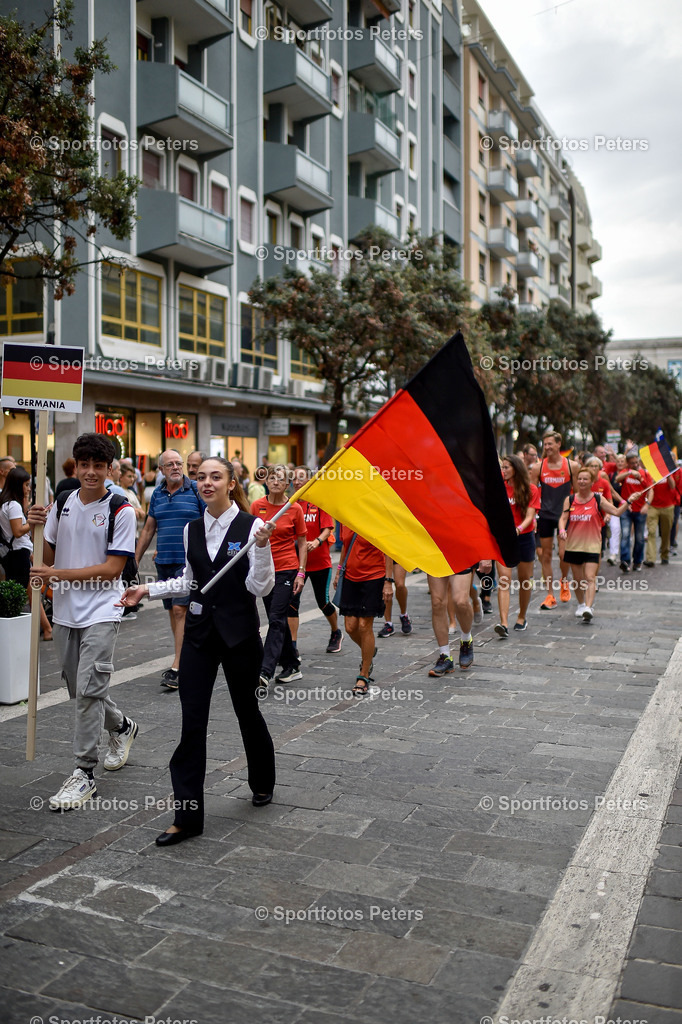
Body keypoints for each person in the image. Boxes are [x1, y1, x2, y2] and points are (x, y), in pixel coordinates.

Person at [119, 457, 276, 845]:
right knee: (192, 723)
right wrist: (147, 589)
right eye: (201, 477)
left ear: (230, 482)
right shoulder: (192, 529)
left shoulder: (253, 526)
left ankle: (262, 779)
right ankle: (187, 817)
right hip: (200, 635)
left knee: (247, 711)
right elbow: (189, 581)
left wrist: (261, 549)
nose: (207, 483)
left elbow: (261, 588)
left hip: (239, 636)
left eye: (215, 477)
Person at [27, 433, 138, 811]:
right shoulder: (63, 502)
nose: (90, 472)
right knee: (80, 690)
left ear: (110, 470)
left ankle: (83, 773)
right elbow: (46, 556)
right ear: (76, 466)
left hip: (103, 610)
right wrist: (35, 526)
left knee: (89, 690)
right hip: (65, 611)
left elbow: (111, 570)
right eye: (84, 465)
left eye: (98, 466)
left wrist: (55, 576)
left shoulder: (120, 510)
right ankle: (122, 726)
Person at [135, 450, 205, 689]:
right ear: (161, 470)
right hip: (164, 560)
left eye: (179, 463)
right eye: (170, 465)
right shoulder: (157, 494)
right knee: (174, 614)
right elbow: (148, 529)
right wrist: (134, 559)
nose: (176, 467)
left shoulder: (195, 489)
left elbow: (210, 521)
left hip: (187, 563)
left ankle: (178, 666)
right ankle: (187, 655)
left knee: (179, 611)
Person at [251, 464, 307, 686]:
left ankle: (265, 671)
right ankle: (292, 665)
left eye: (280, 479)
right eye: (272, 477)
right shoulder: (257, 506)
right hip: (265, 569)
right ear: (266, 482)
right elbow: (251, 538)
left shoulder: (294, 509)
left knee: (275, 618)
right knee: (278, 619)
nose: (275, 481)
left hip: (286, 568)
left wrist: (301, 572)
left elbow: (302, 542)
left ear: (287, 484)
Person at [559, 467, 640, 621]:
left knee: (590, 577)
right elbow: (563, 518)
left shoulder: (598, 499)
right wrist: (562, 530)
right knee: (577, 579)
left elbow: (616, 512)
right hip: (573, 545)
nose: (582, 481)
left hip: (592, 544)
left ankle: (588, 608)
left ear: (591, 482)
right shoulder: (569, 499)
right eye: (580, 479)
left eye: (585, 479)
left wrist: (629, 500)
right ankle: (581, 604)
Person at [287, 466, 343, 655]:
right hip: (297, 563)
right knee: (292, 603)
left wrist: (317, 541)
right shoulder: (290, 504)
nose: (296, 482)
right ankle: (292, 646)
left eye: (301, 478)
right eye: (294, 478)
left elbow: (328, 528)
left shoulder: (319, 503)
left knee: (323, 602)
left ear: (310, 481)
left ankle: (336, 632)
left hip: (320, 562)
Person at [333, 526, 392, 696]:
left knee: (365, 625)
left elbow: (388, 549)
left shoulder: (374, 516)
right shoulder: (346, 518)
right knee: (350, 627)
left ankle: (364, 674)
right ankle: (369, 651)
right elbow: (345, 545)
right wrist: (338, 572)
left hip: (374, 576)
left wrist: (388, 580)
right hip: (351, 576)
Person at [530, 431, 581, 610]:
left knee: (562, 554)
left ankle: (564, 581)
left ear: (559, 444)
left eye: (550, 444)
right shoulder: (538, 467)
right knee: (545, 555)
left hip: (564, 515)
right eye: (545, 444)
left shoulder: (571, 466)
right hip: (545, 515)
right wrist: (532, 516)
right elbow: (532, 493)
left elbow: (577, 492)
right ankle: (550, 594)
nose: (547, 447)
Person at [0, 466, 52, 640]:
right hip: (19, 554)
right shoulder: (12, 505)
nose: (29, 488)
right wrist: (34, 521)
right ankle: (45, 629)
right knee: (28, 592)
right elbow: (17, 531)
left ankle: (46, 629)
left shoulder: (6, 503)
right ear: (18, 485)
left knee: (30, 591)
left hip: (15, 553)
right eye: (27, 485)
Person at [494, 455, 540, 637]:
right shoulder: (499, 488)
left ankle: (521, 616)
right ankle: (503, 623)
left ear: (516, 469)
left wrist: (519, 529)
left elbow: (530, 515)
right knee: (504, 580)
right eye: (502, 467)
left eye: (506, 467)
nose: (503, 470)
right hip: (503, 538)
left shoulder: (531, 489)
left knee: (524, 580)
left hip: (524, 536)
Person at [426, 563, 484, 675]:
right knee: (437, 603)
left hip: (460, 551)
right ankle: (445, 656)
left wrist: (486, 558)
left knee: (461, 602)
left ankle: (466, 640)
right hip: (435, 553)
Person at [615, 450, 653, 572]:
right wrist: (630, 472)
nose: (635, 464)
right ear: (628, 463)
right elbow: (617, 479)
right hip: (627, 509)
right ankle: (625, 561)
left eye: (636, 462)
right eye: (632, 463)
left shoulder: (645, 473)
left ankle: (637, 561)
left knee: (640, 537)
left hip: (640, 510)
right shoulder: (625, 472)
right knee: (625, 535)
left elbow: (650, 489)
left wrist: (647, 505)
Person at [644, 470, 677, 566]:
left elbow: (672, 486)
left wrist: (668, 476)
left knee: (666, 534)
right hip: (653, 507)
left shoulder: (669, 472)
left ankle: (664, 555)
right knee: (651, 532)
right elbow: (648, 488)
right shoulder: (650, 472)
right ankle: (651, 559)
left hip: (667, 507)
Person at [377, 561, 412, 637]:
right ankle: (388, 623)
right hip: (384, 553)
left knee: (400, 584)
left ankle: (404, 615)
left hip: (398, 551)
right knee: (384, 585)